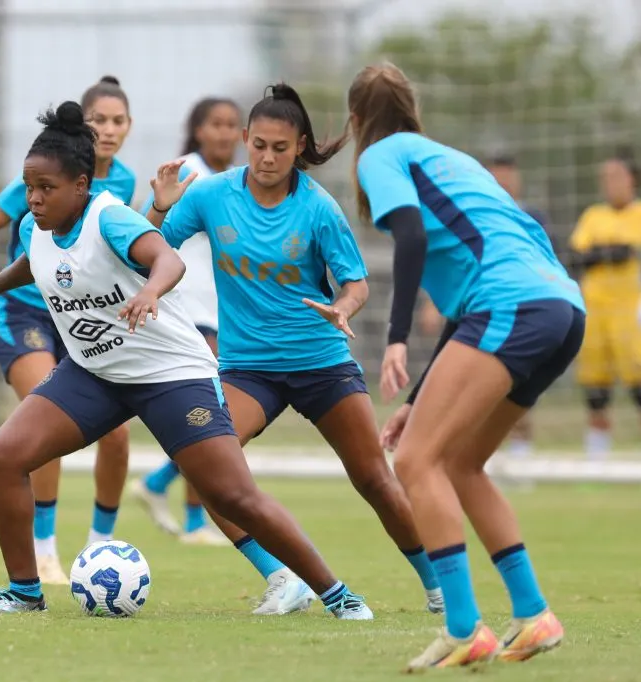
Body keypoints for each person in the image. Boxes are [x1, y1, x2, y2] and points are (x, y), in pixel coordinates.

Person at [0, 101, 371, 619]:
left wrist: (150, 293)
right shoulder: (38, 227)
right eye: (29, 187)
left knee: (233, 495)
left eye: (46, 188)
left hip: (171, 374)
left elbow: (166, 258)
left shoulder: (112, 218)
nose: (34, 199)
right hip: (95, 373)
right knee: (5, 458)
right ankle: (24, 591)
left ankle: (335, 593)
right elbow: (31, 263)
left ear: (82, 185)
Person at [144, 83, 441, 617]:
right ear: (244, 140)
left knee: (374, 478)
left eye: (280, 148)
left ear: (299, 145)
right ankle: (283, 578)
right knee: (207, 466)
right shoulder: (211, 195)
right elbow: (148, 252)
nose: (267, 157)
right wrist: (159, 211)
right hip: (248, 369)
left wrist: (344, 309)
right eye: (258, 145)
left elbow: (354, 283)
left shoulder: (319, 209)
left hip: (321, 363)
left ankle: (438, 583)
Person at [351, 62, 584, 670]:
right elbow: (463, 307)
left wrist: (396, 337)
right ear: (411, 108)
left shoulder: (381, 156)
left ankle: (463, 628)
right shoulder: (451, 159)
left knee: (415, 462)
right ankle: (534, 615)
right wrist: (414, 402)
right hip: (560, 306)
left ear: (355, 122)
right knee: (458, 462)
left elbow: (410, 237)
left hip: (511, 306)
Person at [0, 76, 135, 585]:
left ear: (129, 127)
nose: (107, 128)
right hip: (27, 312)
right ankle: (45, 550)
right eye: (98, 118)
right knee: (43, 417)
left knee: (118, 434)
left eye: (117, 120)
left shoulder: (123, 184)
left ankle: (101, 552)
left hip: (82, 316)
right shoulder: (44, 172)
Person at [130, 97, 243, 547]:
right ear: (197, 130)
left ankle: (159, 483)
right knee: (214, 413)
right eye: (216, 123)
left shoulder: (233, 182)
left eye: (233, 124)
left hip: (215, 310)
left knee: (216, 413)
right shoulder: (190, 175)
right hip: (187, 310)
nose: (225, 132)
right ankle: (194, 520)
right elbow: (146, 231)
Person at [417, 154, 555, 460]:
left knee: (513, 392)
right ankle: (464, 460)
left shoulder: (531, 218)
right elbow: (449, 262)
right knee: (467, 393)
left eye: (508, 176)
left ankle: (519, 461)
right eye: (497, 176)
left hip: (522, 314)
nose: (504, 182)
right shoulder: (469, 214)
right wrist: (431, 304)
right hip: (476, 314)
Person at [568, 151, 641, 461]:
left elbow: (629, 252)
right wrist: (615, 251)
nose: (609, 183)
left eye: (616, 176)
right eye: (605, 178)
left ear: (632, 179)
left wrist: (603, 252)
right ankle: (597, 461)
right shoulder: (593, 215)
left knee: (638, 386)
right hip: (595, 311)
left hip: (630, 312)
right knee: (596, 391)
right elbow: (578, 257)